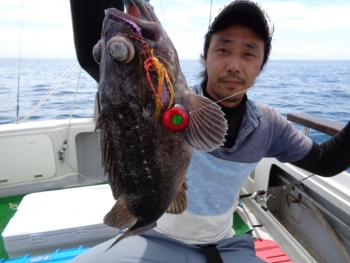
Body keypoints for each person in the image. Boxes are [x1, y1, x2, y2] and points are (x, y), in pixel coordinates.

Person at [69, 0, 350, 262]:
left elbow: (325, 162)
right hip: (153, 236)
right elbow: (97, 58)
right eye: (223, 49)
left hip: (223, 244)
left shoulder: (269, 124)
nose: (233, 65)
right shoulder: (160, 99)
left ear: (261, 66)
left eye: (249, 53)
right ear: (205, 56)